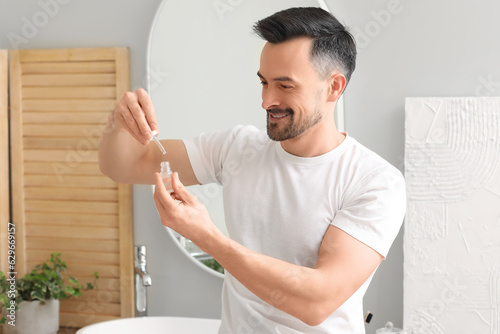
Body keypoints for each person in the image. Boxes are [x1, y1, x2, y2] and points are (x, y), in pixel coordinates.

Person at [98, 7, 406, 334]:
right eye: (264, 82)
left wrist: (206, 236)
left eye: (285, 86)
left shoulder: (375, 182)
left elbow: (316, 302)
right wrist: (117, 125)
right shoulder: (237, 148)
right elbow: (123, 165)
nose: (266, 100)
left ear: (334, 87)